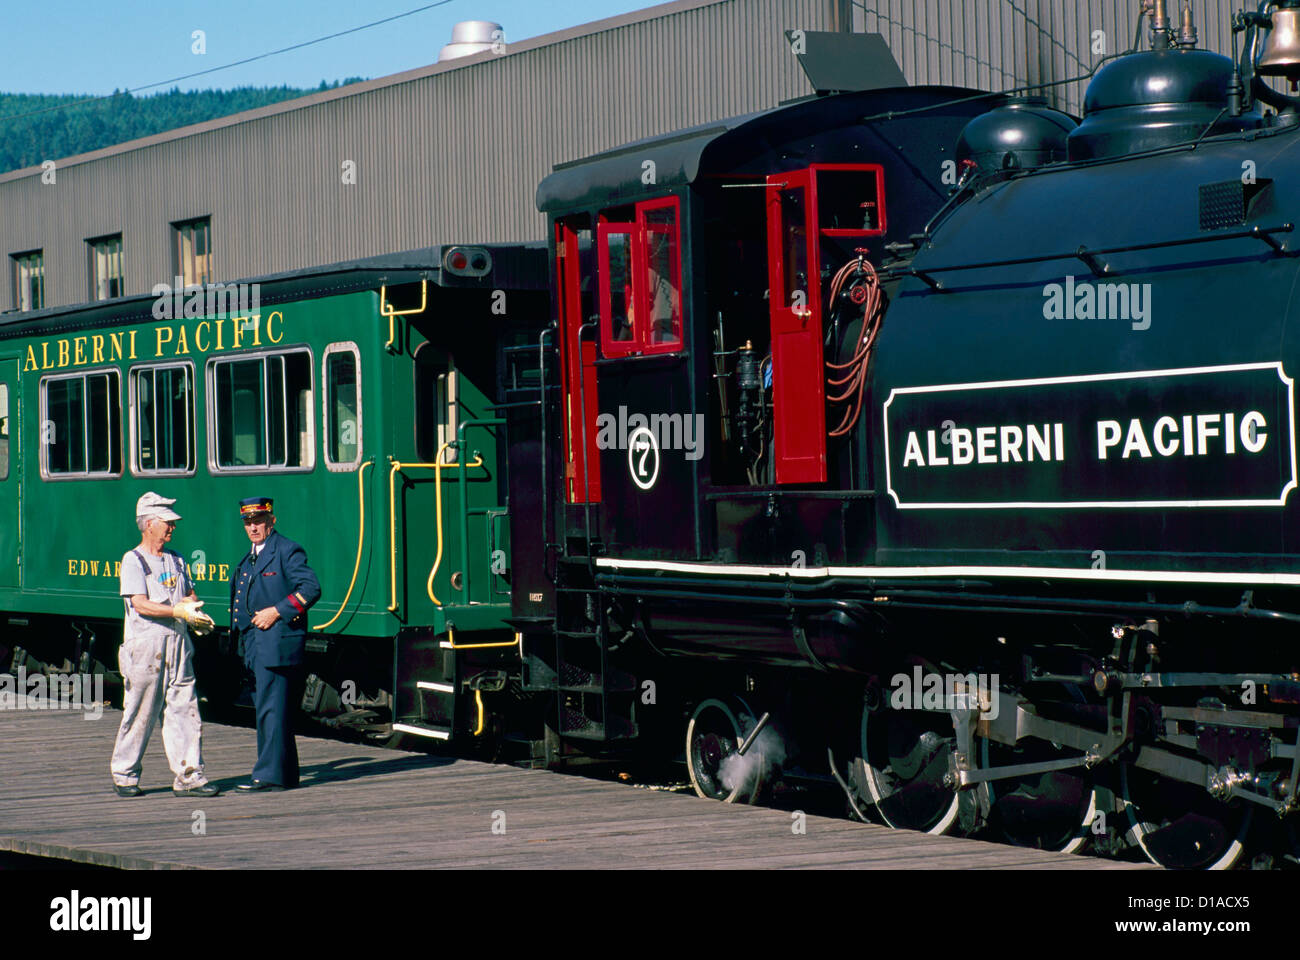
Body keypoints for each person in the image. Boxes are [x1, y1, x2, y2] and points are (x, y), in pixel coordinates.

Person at [110, 492, 219, 798]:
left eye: (172, 523)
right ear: (148, 525)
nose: (172, 528)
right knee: (140, 711)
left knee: (185, 709)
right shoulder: (133, 561)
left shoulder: (177, 560)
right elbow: (141, 604)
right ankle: (125, 774)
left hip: (178, 646)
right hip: (146, 648)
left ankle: (189, 775)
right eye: (166, 523)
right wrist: (177, 611)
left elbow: (189, 595)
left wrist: (194, 611)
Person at [230, 497, 320, 791]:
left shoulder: (286, 549)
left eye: (259, 521)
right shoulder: (251, 556)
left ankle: (268, 775)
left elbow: (310, 588)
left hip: (277, 643)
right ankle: (285, 775)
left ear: (272, 521)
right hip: (255, 643)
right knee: (270, 709)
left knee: (271, 709)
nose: (253, 527)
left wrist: (277, 611)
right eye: (248, 522)